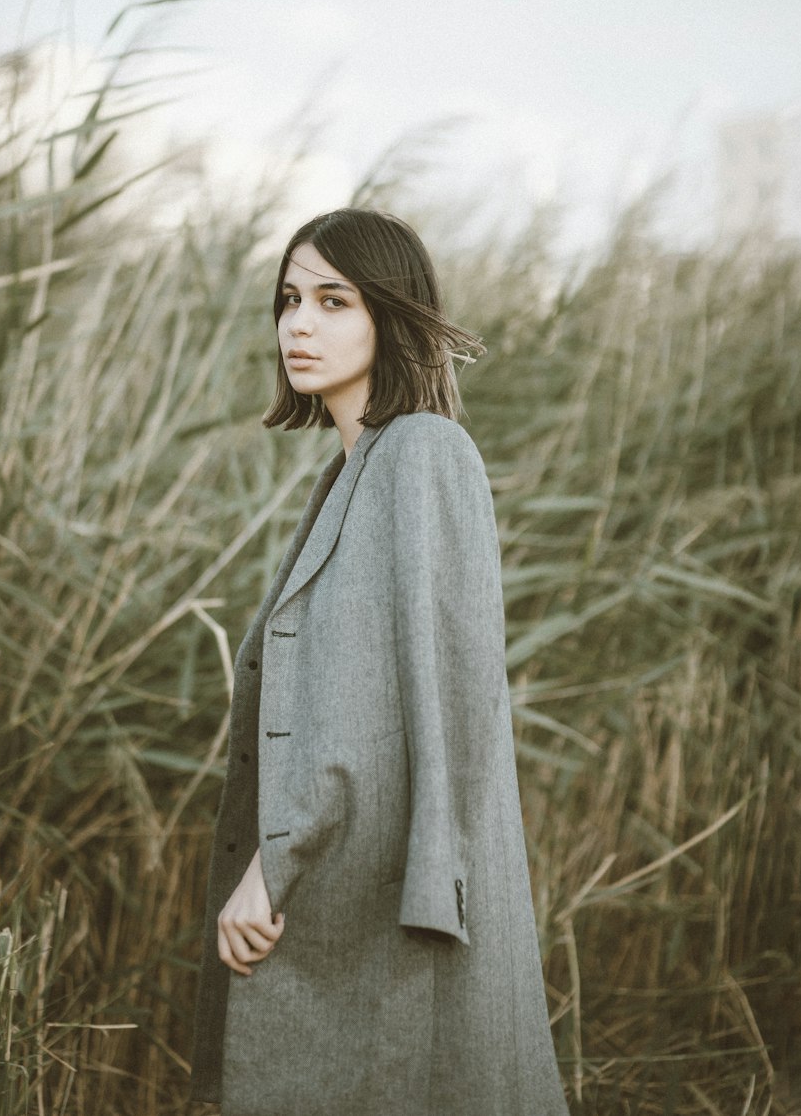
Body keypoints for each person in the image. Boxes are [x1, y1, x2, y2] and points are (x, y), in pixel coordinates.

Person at [190, 208, 569, 1115]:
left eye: (333, 300)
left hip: (379, 905)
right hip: (346, 901)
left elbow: (396, 709)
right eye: (288, 300)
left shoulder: (423, 454)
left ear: (390, 317)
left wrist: (271, 867)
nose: (298, 325)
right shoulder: (351, 472)